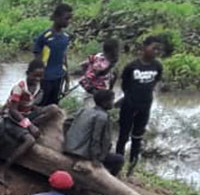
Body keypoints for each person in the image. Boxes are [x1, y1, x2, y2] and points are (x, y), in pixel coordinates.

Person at [116, 35, 166, 177]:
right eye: (154, 48)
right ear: (144, 47)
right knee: (123, 136)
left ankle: (131, 170)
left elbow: (155, 82)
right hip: (129, 105)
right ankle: (117, 169)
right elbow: (125, 85)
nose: (156, 52)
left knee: (137, 138)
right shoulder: (131, 66)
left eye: (159, 49)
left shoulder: (157, 66)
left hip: (145, 106)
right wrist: (130, 99)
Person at [64, 90, 125, 176]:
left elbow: (67, 123)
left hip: (69, 148)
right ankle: (109, 177)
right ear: (104, 103)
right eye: (111, 100)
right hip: (83, 153)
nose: (113, 102)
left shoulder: (83, 110)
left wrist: (67, 141)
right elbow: (96, 139)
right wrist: (96, 159)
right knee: (119, 159)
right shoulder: (102, 117)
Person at [32, 3, 74, 106]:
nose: (68, 22)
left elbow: (64, 57)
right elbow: (37, 59)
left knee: (54, 103)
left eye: (69, 19)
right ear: (56, 17)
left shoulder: (65, 37)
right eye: (66, 18)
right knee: (41, 103)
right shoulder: (45, 37)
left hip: (59, 76)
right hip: (45, 78)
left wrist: (67, 79)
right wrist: (36, 79)